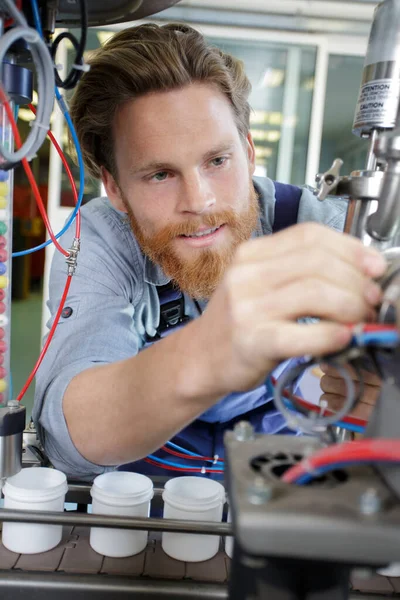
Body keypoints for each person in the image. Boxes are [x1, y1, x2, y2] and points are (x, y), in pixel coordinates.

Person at [33, 23, 384, 481]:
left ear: (249, 152)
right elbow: (68, 438)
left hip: (283, 465)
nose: (199, 201)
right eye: (160, 174)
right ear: (115, 189)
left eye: (217, 161)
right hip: (147, 483)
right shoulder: (101, 239)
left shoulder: (324, 229)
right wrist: (210, 354)